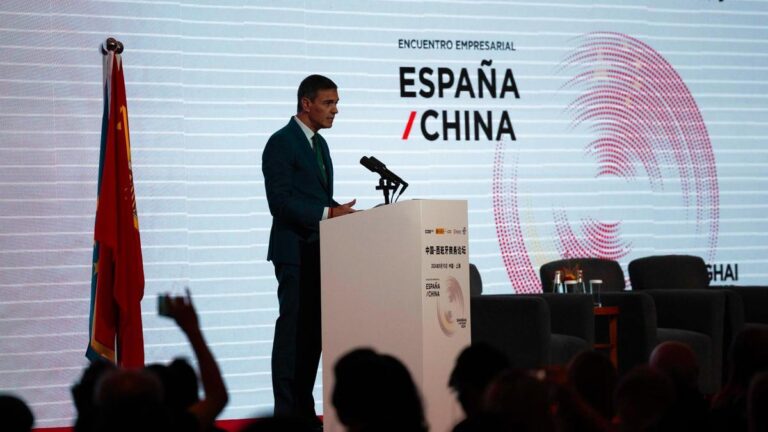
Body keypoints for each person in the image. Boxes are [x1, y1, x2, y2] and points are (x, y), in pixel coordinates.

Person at [262, 74, 357, 425]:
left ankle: (303, 412)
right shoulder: (281, 142)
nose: (335, 110)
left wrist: (342, 213)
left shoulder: (321, 145)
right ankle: (286, 416)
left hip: (320, 254)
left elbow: (316, 198)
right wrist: (329, 213)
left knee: (312, 336)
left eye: (336, 103)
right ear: (306, 103)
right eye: (328, 103)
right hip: (294, 254)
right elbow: (280, 203)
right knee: (293, 334)